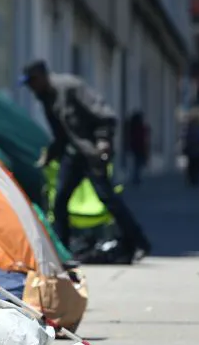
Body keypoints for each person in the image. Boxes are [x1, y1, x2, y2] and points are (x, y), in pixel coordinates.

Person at [20, 60, 151, 259]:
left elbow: (104, 115)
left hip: (92, 154)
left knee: (107, 198)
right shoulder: (46, 97)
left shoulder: (70, 87)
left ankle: (139, 242)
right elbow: (62, 134)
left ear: (40, 76)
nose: (30, 88)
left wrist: (103, 141)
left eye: (31, 82)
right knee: (60, 202)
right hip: (73, 155)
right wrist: (50, 154)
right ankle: (61, 252)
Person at [183, 115, 199, 187]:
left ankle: (193, 179)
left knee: (193, 166)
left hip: (193, 151)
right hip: (196, 151)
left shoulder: (190, 130)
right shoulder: (197, 130)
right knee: (196, 166)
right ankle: (194, 180)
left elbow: (186, 140)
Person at [125, 111, 150, 185]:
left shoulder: (132, 127)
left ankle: (135, 178)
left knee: (136, 164)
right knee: (138, 164)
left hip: (135, 147)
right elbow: (144, 139)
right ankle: (136, 178)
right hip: (140, 148)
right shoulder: (140, 127)